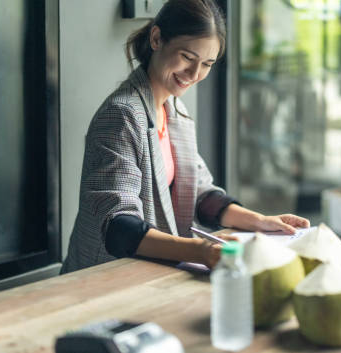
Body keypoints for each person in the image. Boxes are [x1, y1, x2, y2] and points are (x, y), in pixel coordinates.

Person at [61, 0, 309, 274]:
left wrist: (260, 222)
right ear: (157, 39)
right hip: (101, 278)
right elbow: (118, 226)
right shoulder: (122, 115)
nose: (194, 74)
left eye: (207, 64)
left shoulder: (175, 108)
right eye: (188, 58)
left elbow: (200, 194)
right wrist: (200, 251)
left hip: (147, 275)